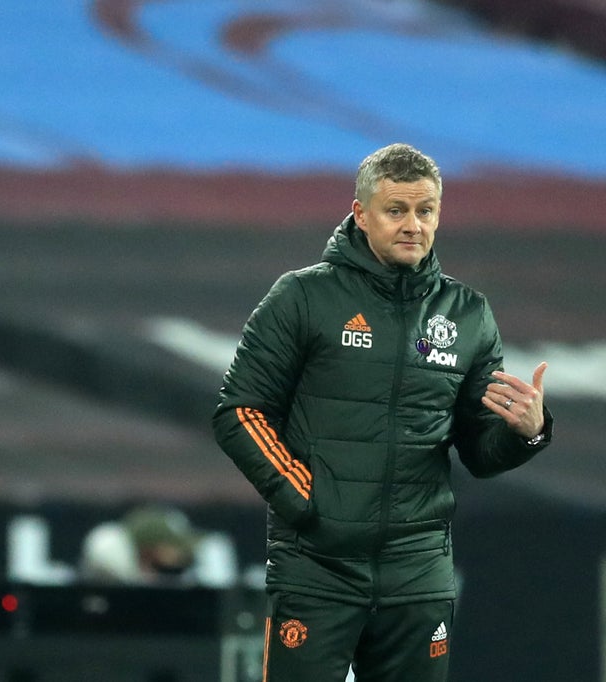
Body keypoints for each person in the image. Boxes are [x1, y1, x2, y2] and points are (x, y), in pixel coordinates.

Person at [212, 143, 552, 682]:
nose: (413, 224)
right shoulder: (302, 296)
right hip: (317, 570)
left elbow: (479, 450)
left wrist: (526, 434)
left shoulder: (468, 314)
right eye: (396, 210)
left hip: (418, 573)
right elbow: (240, 410)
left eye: (426, 210)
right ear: (361, 214)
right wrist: (305, 499)